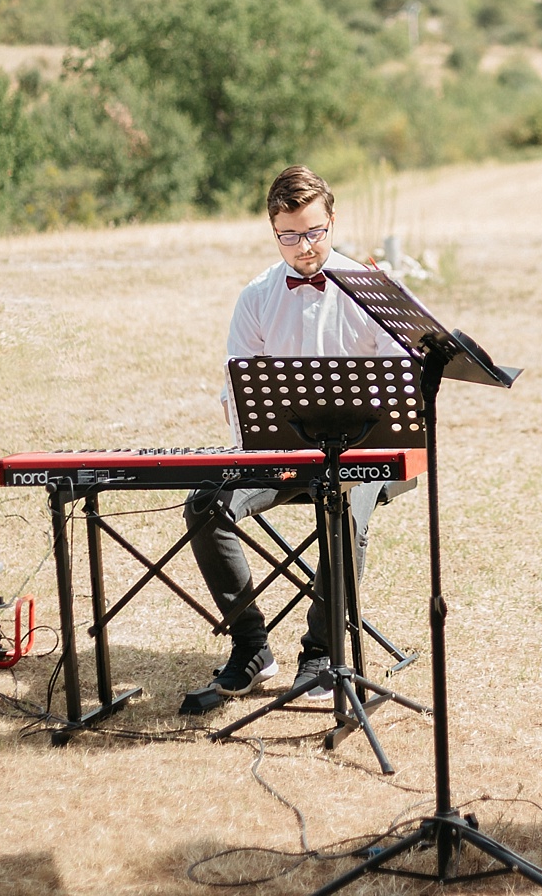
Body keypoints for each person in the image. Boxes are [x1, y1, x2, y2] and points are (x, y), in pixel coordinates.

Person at [186, 165, 409, 701]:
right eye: (290, 236)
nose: (305, 247)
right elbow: (235, 394)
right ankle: (250, 646)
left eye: (314, 232)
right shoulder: (257, 295)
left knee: (342, 514)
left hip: (362, 458)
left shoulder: (372, 290)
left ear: (332, 220)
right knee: (204, 505)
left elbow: (401, 385)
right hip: (281, 456)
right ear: (273, 231)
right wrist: (256, 445)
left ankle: (322, 651)